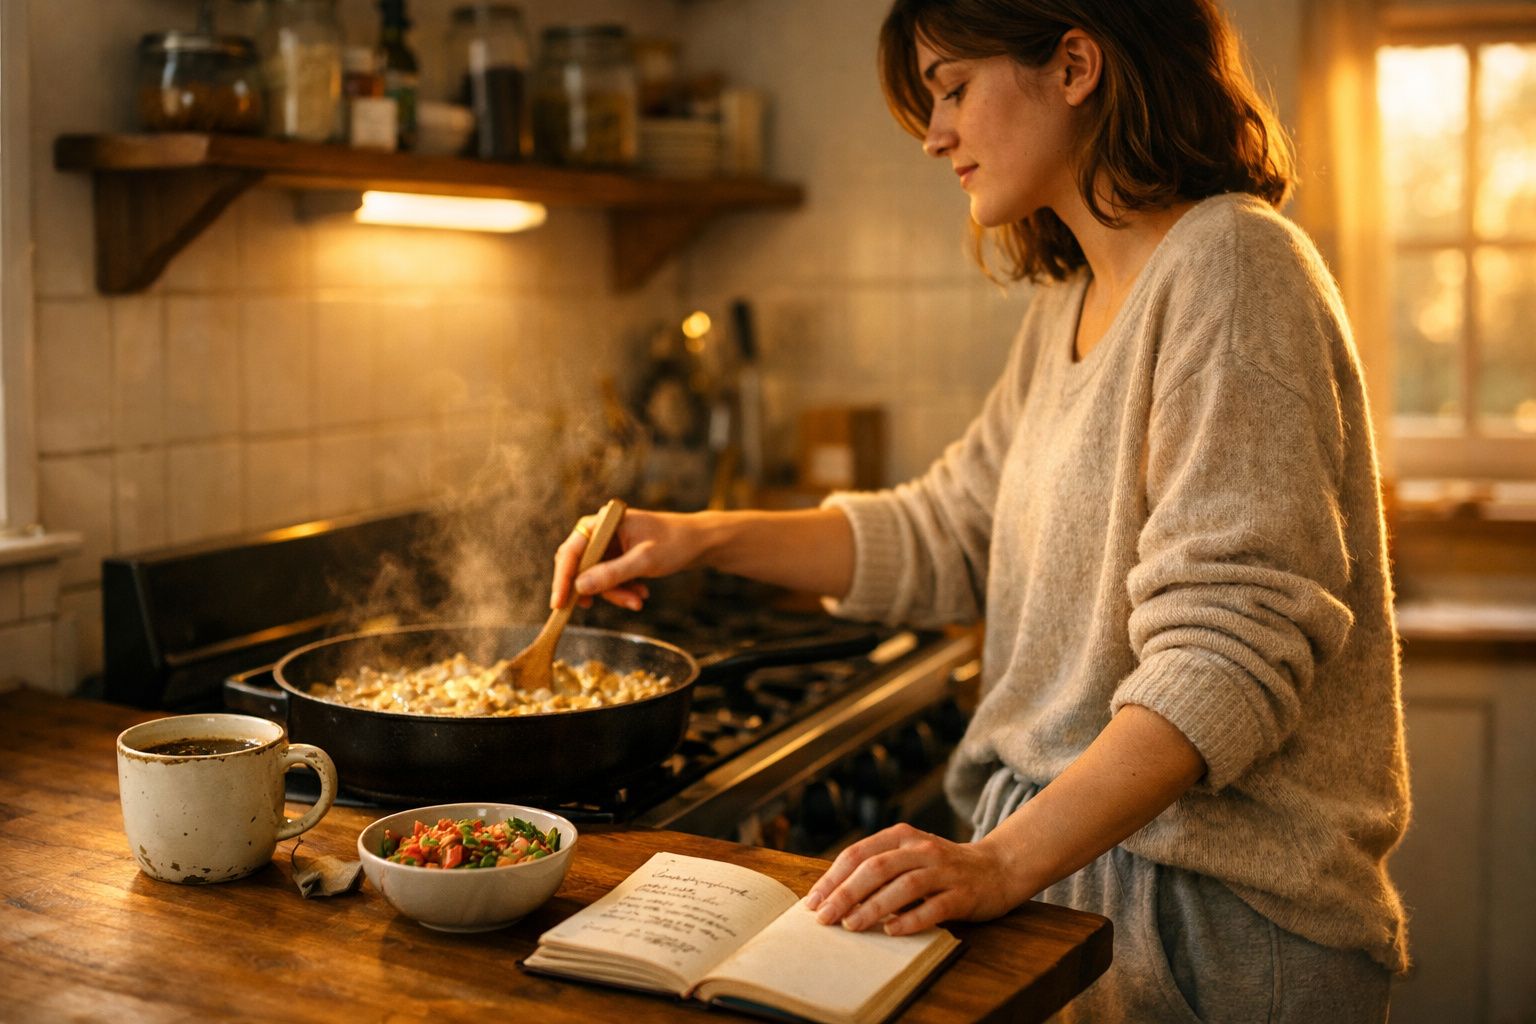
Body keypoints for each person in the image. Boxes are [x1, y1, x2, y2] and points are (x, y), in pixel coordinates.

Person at [548, 0, 1410, 1019]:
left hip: (1210, 924)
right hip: (1075, 886)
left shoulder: (1234, 264)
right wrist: (699, 536)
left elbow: (1226, 653)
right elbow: (952, 530)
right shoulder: (1069, 305)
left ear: (1075, 65)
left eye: (953, 88)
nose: (934, 133)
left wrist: (1000, 862)